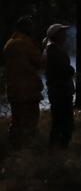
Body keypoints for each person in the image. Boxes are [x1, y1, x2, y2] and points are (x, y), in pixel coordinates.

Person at [3, 16, 43, 147]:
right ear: (25, 28)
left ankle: (14, 147)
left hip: (13, 89)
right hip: (28, 89)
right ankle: (28, 149)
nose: (32, 29)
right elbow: (41, 62)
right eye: (30, 27)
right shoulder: (25, 43)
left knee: (16, 120)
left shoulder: (8, 44)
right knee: (30, 121)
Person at [43, 23, 75, 149]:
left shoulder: (52, 49)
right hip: (60, 92)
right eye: (62, 32)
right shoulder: (54, 50)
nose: (65, 34)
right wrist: (71, 70)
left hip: (58, 91)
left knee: (59, 122)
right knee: (64, 123)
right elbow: (62, 71)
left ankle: (56, 150)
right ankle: (59, 149)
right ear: (56, 35)